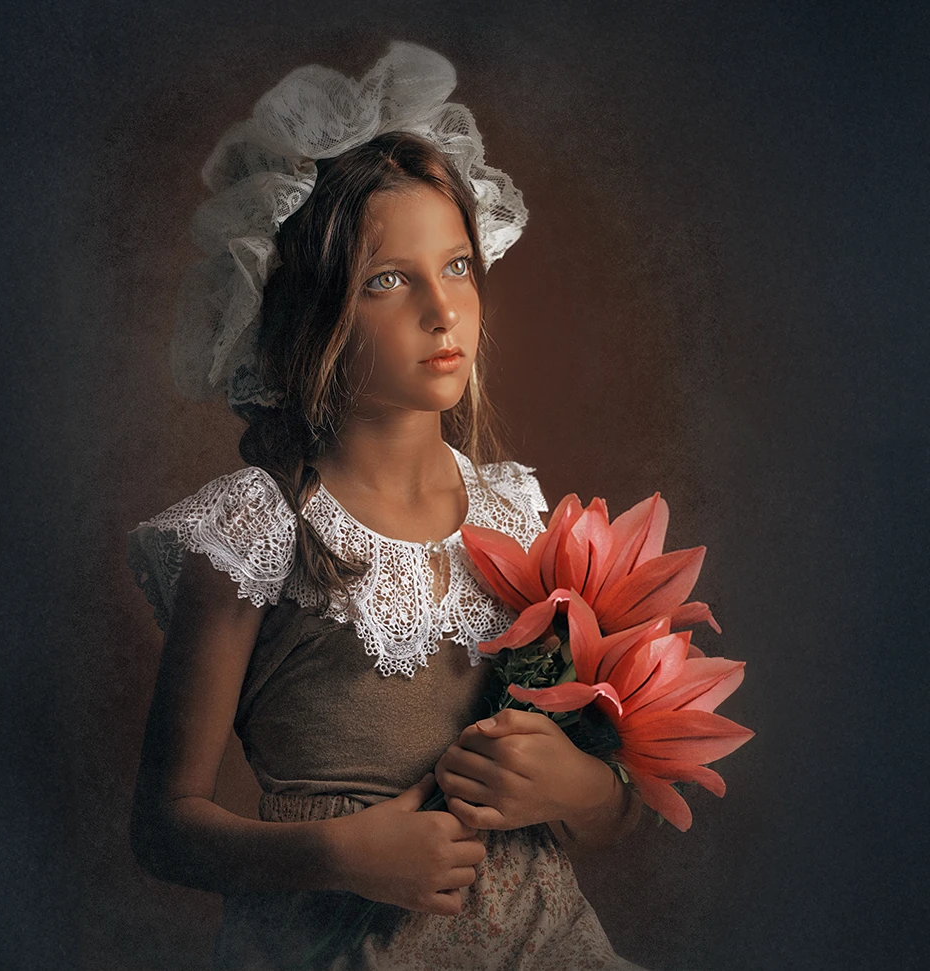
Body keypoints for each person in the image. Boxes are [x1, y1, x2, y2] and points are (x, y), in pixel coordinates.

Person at [126, 42, 645, 971]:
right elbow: (164, 829)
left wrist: (577, 783)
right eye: (388, 281)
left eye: (456, 266)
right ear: (306, 316)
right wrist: (339, 851)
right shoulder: (258, 526)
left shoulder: (518, 513)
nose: (443, 311)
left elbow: (608, 809)